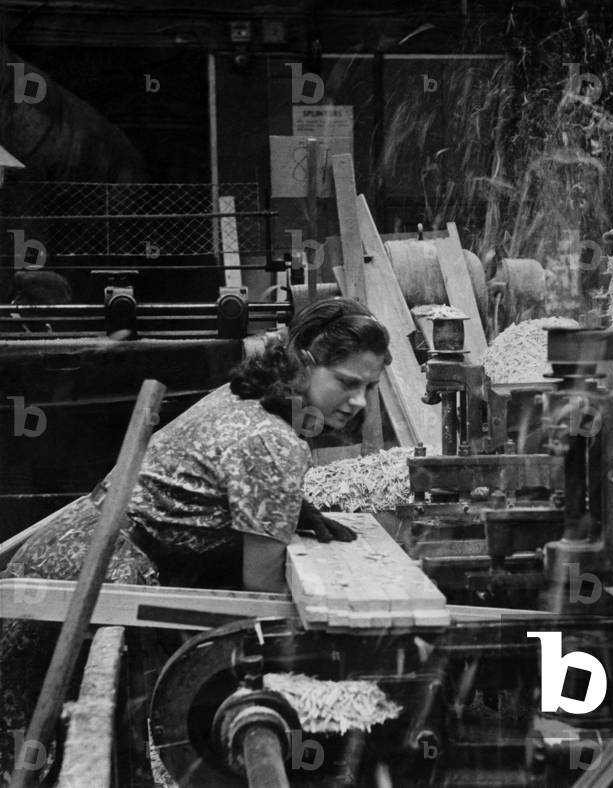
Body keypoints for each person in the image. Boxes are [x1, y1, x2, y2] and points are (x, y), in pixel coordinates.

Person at [0, 297, 390, 777]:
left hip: (72, 543)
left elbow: (221, 469)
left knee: (27, 733)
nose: (358, 403)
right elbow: (261, 593)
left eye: (369, 387)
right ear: (304, 361)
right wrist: (321, 671)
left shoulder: (247, 394)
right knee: (54, 748)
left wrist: (292, 507)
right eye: (347, 383)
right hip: (93, 574)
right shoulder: (276, 442)